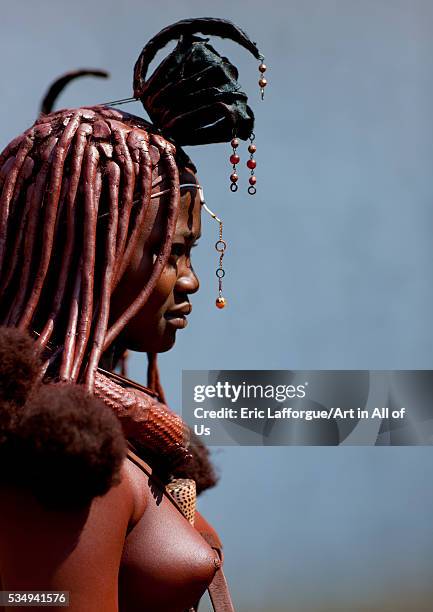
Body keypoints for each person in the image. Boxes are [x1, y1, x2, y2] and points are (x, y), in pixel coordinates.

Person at [0, 17, 265, 612]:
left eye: (191, 253)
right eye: (171, 253)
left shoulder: (120, 439)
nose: (190, 278)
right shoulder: (64, 457)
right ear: (94, 255)